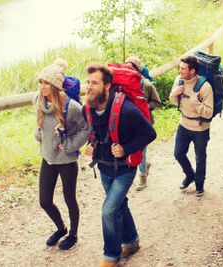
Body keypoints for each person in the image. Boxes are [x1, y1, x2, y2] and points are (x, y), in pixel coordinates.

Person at [82, 63, 156, 267]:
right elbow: (95, 133)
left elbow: (150, 133)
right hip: (103, 167)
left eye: (94, 83)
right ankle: (132, 242)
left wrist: (126, 148)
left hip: (125, 169)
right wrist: (90, 145)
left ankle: (111, 256)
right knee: (120, 205)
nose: (89, 87)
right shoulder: (87, 108)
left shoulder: (127, 110)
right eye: (88, 82)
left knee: (108, 211)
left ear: (107, 86)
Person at [33, 62, 89, 250]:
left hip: (66, 160)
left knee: (69, 198)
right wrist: (37, 134)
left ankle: (73, 234)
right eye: (40, 82)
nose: (42, 87)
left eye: (47, 83)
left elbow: (86, 129)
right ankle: (61, 228)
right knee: (45, 201)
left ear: (55, 85)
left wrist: (69, 145)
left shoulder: (70, 106)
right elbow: (39, 124)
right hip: (48, 158)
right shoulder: (38, 101)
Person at [169, 55, 213, 197]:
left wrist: (195, 102)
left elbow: (208, 113)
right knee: (178, 153)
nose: (180, 71)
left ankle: (199, 184)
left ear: (192, 71)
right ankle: (190, 175)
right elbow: (175, 102)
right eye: (180, 68)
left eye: (183, 68)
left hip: (200, 128)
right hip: (184, 124)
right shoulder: (179, 81)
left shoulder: (205, 87)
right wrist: (175, 93)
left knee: (200, 157)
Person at [124, 56, 161, 191]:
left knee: (141, 149)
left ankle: (143, 176)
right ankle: (144, 166)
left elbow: (156, 102)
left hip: (145, 123)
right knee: (135, 149)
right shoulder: (123, 85)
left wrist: (143, 106)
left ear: (137, 69)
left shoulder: (146, 84)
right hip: (130, 123)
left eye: (130, 67)